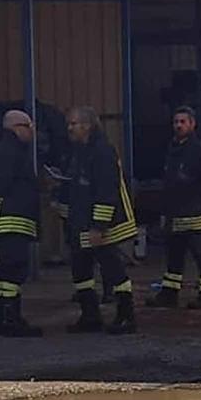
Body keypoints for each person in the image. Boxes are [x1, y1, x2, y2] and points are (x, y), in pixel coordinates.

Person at [64, 107, 139, 335]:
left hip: (101, 225)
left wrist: (99, 226)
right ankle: (90, 316)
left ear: (87, 126)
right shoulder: (79, 152)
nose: (70, 128)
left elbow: (106, 191)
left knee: (112, 269)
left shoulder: (102, 151)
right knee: (81, 270)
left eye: (74, 123)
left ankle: (126, 316)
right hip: (82, 223)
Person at [0, 110, 42, 338]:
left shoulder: (4, 148)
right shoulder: (11, 150)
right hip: (15, 218)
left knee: (3, 271)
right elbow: (0, 184)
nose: (32, 132)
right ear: (17, 127)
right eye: (29, 126)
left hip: (8, 218)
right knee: (14, 269)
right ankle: (11, 320)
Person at [151, 107, 201, 310]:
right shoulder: (172, 150)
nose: (178, 125)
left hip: (196, 216)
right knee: (174, 257)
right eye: (176, 122)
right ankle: (170, 293)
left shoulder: (199, 151)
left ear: (192, 124)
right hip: (175, 216)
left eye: (183, 122)